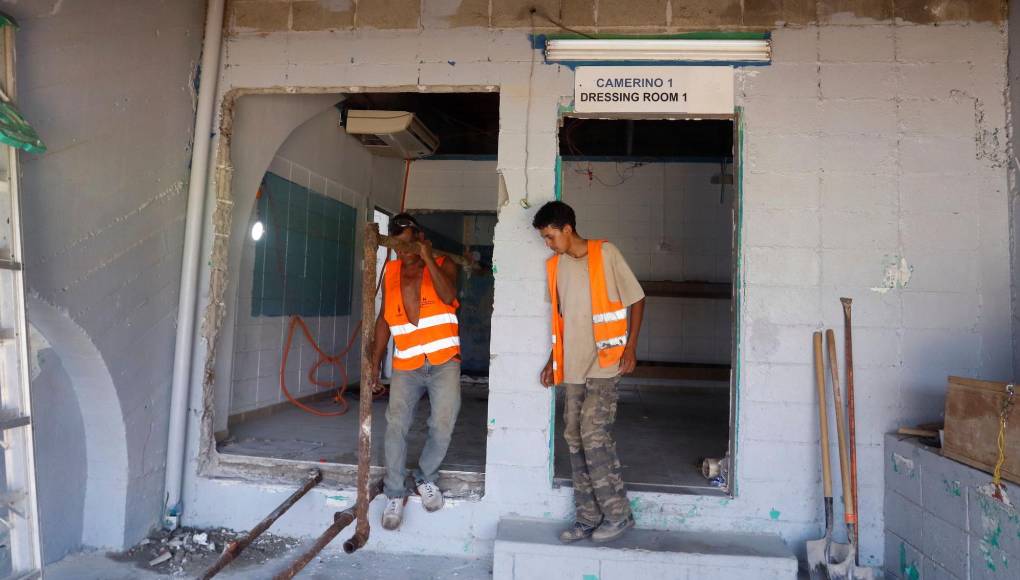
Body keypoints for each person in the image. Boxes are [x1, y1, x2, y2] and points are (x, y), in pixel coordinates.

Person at [534, 200, 645, 544]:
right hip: (572, 366)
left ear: (567, 229)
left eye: (550, 236)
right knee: (573, 436)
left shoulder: (605, 253)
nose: (548, 244)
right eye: (544, 238)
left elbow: (637, 298)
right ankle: (587, 517)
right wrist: (553, 360)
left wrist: (630, 348)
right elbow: (562, 319)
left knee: (593, 434)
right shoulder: (556, 267)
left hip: (606, 361)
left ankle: (618, 513)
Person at [368, 213, 461, 530]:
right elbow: (384, 320)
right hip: (407, 363)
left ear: (420, 237)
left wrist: (427, 258)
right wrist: (374, 362)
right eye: (397, 242)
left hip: (443, 359)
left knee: (442, 423)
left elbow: (449, 296)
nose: (402, 248)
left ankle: (426, 477)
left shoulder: (444, 262)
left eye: (408, 240)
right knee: (396, 426)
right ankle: (395, 492)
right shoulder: (391, 271)